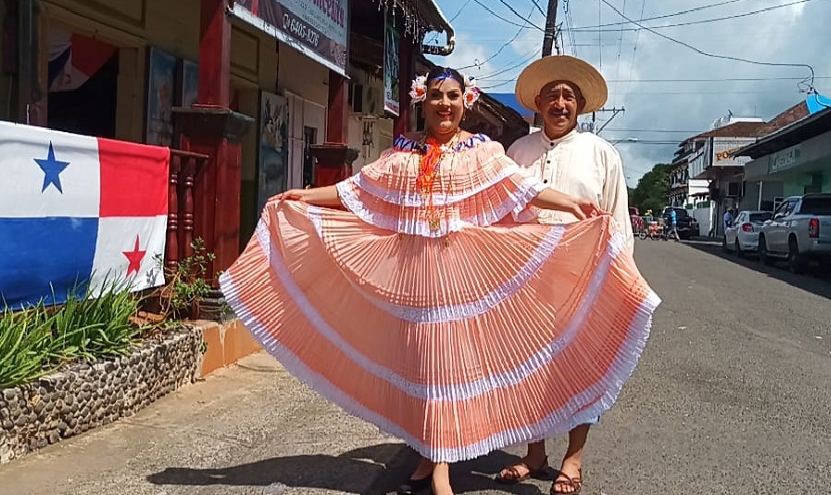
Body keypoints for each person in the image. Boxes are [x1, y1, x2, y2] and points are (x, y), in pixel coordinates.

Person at [218, 66, 659, 495]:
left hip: (461, 284)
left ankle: (446, 466)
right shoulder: (404, 154)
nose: (444, 104)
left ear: (466, 103)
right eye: (436, 96)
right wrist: (305, 195)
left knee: (449, 368)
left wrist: (571, 206)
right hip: (415, 282)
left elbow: (520, 189)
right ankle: (430, 454)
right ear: (422, 101)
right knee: (421, 369)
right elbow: (357, 189)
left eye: (452, 96)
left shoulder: (483, 153)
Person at [497, 55, 634, 495]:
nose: (560, 103)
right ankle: (535, 452)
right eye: (552, 96)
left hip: (584, 280)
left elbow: (617, 222)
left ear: (580, 106)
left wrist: (621, 278)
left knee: (582, 368)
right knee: (528, 367)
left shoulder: (601, 154)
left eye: (568, 96)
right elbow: (501, 213)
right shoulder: (517, 152)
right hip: (527, 283)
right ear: (538, 103)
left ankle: (573, 458)